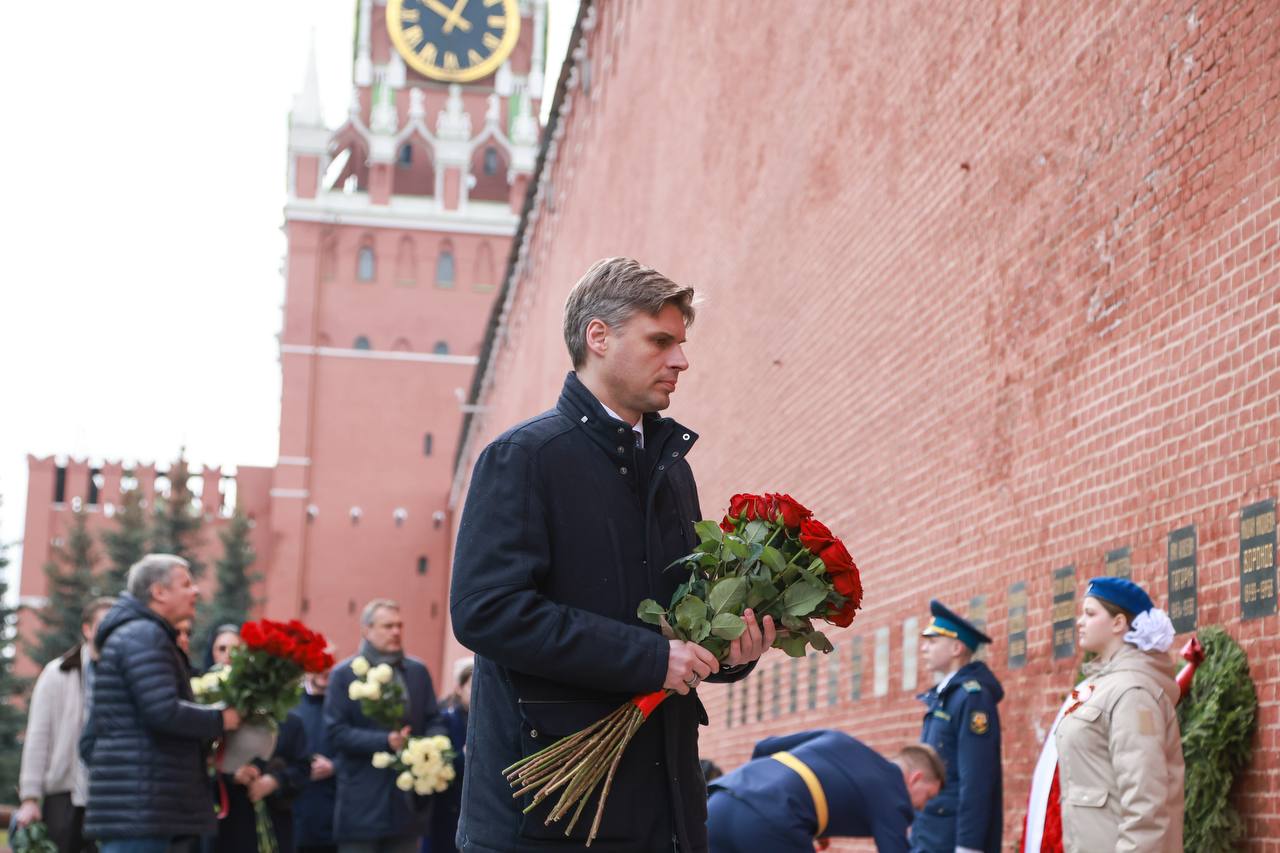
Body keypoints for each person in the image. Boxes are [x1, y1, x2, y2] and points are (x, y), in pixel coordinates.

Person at [451, 257, 774, 852]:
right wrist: (651, 659)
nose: (681, 359)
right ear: (598, 337)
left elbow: (680, 622)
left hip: (665, 810)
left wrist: (731, 651)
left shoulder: (673, 472)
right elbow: (486, 612)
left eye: (681, 342)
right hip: (546, 821)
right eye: (661, 341)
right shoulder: (524, 457)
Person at [82, 554, 241, 853]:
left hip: (139, 802)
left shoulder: (138, 633)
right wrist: (221, 720)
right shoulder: (144, 635)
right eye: (186, 584)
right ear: (159, 592)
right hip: (142, 805)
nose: (196, 592)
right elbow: (162, 711)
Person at [1054, 577, 1183, 852]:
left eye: (1090, 613)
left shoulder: (1133, 692)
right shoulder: (1104, 685)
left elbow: (1144, 797)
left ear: (1118, 623)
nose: (1080, 622)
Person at [326, 599, 447, 853]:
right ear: (366, 630)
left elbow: (433, 719)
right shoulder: (344, 675)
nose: (396, 632)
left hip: (407, 806)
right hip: (361, 805)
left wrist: (435, 746)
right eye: (387, 626)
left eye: (399, 625)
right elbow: (336, 733)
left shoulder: (417, 671)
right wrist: (384, 741)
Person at [706, 732, 944, 853]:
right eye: (929, 796)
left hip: (721, 801)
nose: (922, 807)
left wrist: (763, 794)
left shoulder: (837, 738)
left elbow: (764, 747)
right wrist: (773, 811)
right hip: (771, 824)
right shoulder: (894, 795)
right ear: (916, 779)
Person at [15, 597, 116, 853]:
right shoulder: (58, 673)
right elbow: (39, 737)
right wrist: (30, 798)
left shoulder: (121, 673)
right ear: (87, 629)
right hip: (64, 794)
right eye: (104, 625)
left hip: (108, 796)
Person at [912, 600, 1003, 853]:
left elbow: (976, 779)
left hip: (951, 838)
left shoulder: (972, 698)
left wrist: (968, 845)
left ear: (956, 647)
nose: (923, 648)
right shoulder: (945, 696)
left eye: (932, 641)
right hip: (929, 833)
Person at [210, 712, 310, 853]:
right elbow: (207, 768)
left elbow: (303, 769)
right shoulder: (227, 719)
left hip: (277, 821)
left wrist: (275, 781)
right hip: (233, 823)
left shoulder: (289, 722)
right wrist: (232, 774)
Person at [422, 659, 472, 853]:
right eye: (472, 685)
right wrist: (463, 756)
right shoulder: (444, 719)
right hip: (446, 812)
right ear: (459, 688)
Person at [296, 666, 338, 853]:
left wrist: (335, 766)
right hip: (297, 810)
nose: (324, 670)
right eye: (318, 664)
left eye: (329, 664)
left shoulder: (345, 703)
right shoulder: (290, 702)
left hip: (336, 813)